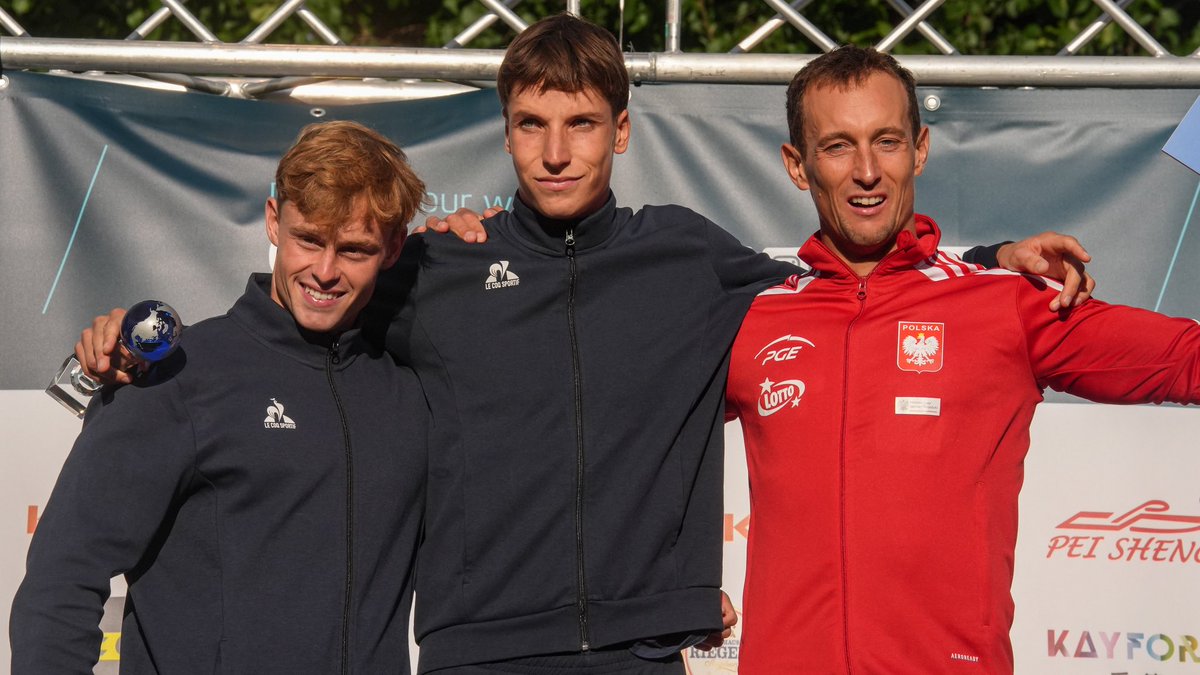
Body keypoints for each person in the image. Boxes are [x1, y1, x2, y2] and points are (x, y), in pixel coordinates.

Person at [69, 15, 1092, 675]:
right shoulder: (434, 267)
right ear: (505, 131)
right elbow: (293, 312)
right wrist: (119, 352)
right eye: (530, 124)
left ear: (623, 131)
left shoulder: (686, 256)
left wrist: (984, 253)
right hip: (479, 651)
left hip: (643, 653)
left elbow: (844, 277)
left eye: (583, 124)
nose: (556, 151)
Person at [724, 45, 1200, 674]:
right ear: (797, 163)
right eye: (838, 146)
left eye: (887, 141)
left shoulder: (1004, 302)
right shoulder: (751, 318)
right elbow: (630, 448)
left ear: (919, 148)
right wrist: (670, 588)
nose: (867, 170)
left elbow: (1181, 359)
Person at [10, 121, 431, 674]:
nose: (325, 272)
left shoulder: (408, 388)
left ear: (393, 247)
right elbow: (62, 577)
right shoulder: (177, 376)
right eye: (309, 239)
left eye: (354, 250)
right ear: (274, 221)